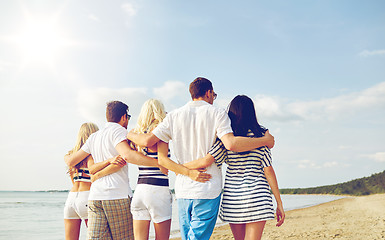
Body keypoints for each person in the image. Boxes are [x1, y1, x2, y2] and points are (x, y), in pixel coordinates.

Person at [127, 77, 275, 240]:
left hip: (183, 189)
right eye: (214, 95)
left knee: (188, 237)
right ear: (209, 92)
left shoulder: (174, 115)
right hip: (207, 188)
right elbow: (231, 144)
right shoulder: (218, 113)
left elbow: (152, 146)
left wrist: (128, 133)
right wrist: (265, 141)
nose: (213, 98)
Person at [187, 95, 285, 240]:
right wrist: (279, 202)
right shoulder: (262, 134)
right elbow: (268, 170)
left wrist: (179, 167)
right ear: (252, 112)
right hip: (257, 196)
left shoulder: (226, 137)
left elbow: (207, 161)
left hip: (233, 199)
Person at [65, 101, 166, 240]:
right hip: (116, 196)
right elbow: (127, 155)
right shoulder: (119, 131)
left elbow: (71, 161)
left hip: (95, 198)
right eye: (128, 117)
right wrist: (159, 163)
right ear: (124, 117)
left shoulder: (94, 137)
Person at [64, 123, 99, 240]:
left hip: (71, 199)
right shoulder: (94, 155)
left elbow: (73, 181)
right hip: (87, 197)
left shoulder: (71, 155)